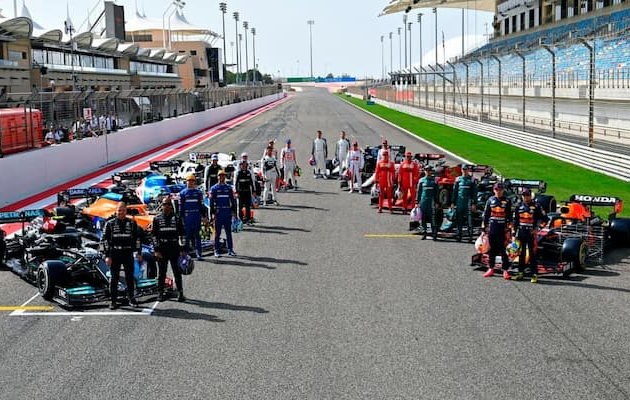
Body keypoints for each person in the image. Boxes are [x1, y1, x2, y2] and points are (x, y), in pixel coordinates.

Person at [101, 202, 141, 309]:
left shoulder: (132, 223)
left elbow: (137, 239)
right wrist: (107, 256)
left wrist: (138, 253)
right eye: (119, 210)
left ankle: (131, 298)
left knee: (129, 277)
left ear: (126, 211)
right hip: (115, 254)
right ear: (116, 211)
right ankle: (113, 301)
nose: (121, 212)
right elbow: (105, 240)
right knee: (114, 278)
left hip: (128, 253)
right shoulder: (110, 224)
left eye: (123, 210)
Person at [152, 197, 186, 302]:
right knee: (162, 272)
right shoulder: (157, 219)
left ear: (171, 206)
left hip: (174, 247)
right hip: (162, 248)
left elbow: (182, 234)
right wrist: (156, 250)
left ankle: (180, 292)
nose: (166, 206)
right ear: (161, 206)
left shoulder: (177, 218)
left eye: (167, 204)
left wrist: (183, 249)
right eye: (164, 204)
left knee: (177, 272)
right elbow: (154, 236)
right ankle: (160, 293)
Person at [512, 189, 547, 283]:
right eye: (523, 195)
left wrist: (537, 229)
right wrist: (513, 234)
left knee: (532, 254)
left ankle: (534, 274)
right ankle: (520, 273)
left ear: (530, 196)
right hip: (521, 233)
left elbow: (545, 219)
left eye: (527, 195)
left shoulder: (537, 206)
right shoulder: (518, 206)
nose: (525, 197)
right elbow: (515, 221)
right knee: (521, 254)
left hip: (531, 234)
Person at [482, 182, 513, 279]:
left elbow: (510, 217)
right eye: (496, 190)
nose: (498, 192)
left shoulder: (507, 201)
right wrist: (484, 228)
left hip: (502, 229)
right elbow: (486, 214)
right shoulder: (490, 200)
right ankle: (491, 268)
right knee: (492, 249)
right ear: (493, 190)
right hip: (492, 228)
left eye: (500, 190)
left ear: (503, 190)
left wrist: (510, 230)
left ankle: (505, 270)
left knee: (503, 250)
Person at [209, 170, 237, 257]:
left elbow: (233, 201)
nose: (222, 177)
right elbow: (211, 202)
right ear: (218, 177)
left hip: (227, 212)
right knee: (217, 233)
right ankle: (216, 250)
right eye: (220, 176)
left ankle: (230, 250)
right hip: (218, 212)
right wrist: (212, 213)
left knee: (228, 232)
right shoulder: (214, 188)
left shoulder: (229, 188)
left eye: (223, 176)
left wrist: (234, 213)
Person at [179, 174, 206, 261]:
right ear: (186, 182)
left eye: (192, 181)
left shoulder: (199, 193)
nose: (190, 182)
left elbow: (202, 206)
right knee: (187, 236)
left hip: (196, 216)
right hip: (187, 217)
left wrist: (204, 216)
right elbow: (181, 207)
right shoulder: (182, 193)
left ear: (194, 182)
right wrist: (180, 218)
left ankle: (199, 254)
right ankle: (187, 255)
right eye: (189, 181)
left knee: (197, 235)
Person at [451, 164, 478, 242]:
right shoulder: (458, 179)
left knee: (469, 219)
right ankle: (459, 235)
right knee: (459, 219)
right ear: (461, 170)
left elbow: (474, 193)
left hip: (468, 202)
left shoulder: (472, 179)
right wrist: (453, 202)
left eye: (466, 169)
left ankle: (470, 236)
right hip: (459, 202)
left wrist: (474, 203)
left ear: (468, 170)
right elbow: (454, 192)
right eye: (463, 169)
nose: (464, 171)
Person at [416, 166, 440, 240]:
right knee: (423, 218)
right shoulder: (421, 180)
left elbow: (437, 193)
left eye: (429, 170)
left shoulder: (435, 180)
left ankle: (434, 233)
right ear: (425, 171)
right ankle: (424, 233)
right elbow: (419, 192)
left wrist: (437, 202)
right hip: (423, 202)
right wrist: (417, 202)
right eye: (426, 170)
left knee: (432, 218)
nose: (428, 172)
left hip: (431, 202)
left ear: (431, 171)